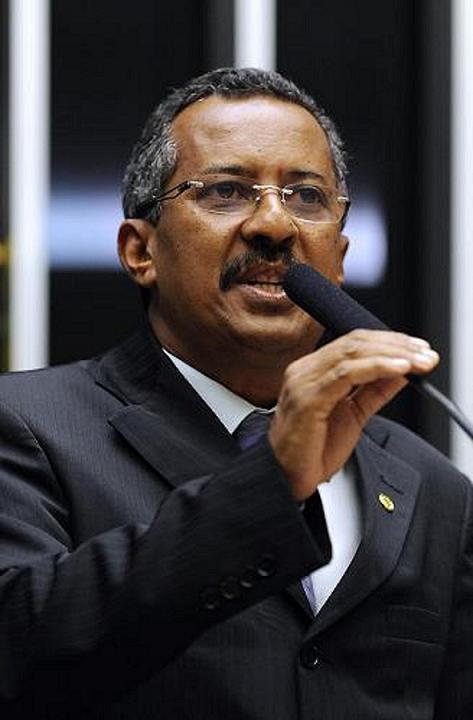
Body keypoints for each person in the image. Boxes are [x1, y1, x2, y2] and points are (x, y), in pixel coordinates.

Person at [0, 67, 471, 720]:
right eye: (226, 191)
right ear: (140, 251)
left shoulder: (431, 485)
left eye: (307, 196)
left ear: (338, 258)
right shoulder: (26, 426)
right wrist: (271, 482)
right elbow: (19, 648)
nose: (275, 225)